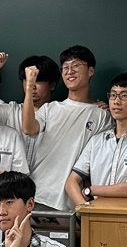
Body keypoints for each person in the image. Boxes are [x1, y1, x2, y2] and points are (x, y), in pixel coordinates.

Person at [24, 45, 112, 210]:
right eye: (65, 67)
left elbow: (100, 158)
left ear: (90, 71)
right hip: (39, 194)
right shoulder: (50, 109)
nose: (70, 71)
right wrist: (29, 88)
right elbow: (28, 129)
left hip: (74, 200)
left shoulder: (102, 114)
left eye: (76, 65)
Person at [67, 72, 127, 206]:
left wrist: (91, 190)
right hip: (97, 213)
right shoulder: (96, 141)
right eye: (113, 95)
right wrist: (86, 210)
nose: (116, 101)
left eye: (124, 96)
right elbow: (71, 182)